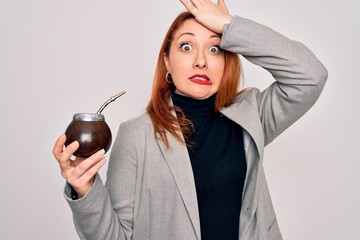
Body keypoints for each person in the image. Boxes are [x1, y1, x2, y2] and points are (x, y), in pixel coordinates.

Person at [53, 0, 328, 239]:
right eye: (186, 47)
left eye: (215, 49)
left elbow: (310, 76)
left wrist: (231, 26)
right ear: (167, 62)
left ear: (227, 61)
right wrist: (85, 188)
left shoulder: (251, 116)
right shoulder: (137, 135)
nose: (200, 61)